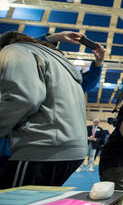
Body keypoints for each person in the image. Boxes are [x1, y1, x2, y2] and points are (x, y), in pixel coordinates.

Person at [0, 32, 87, 188]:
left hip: (43, 145)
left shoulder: (13, 50)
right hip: (72, 147)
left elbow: (24, 98)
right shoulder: (57, 62)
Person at [36, 31, 106, 92]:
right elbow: (29, 48)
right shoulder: (34, 73)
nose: (56, 61)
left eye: (60, 58)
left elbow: (89, 81)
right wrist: (58, 37)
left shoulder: (67, 82)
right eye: (53, 57)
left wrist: (99, 62)